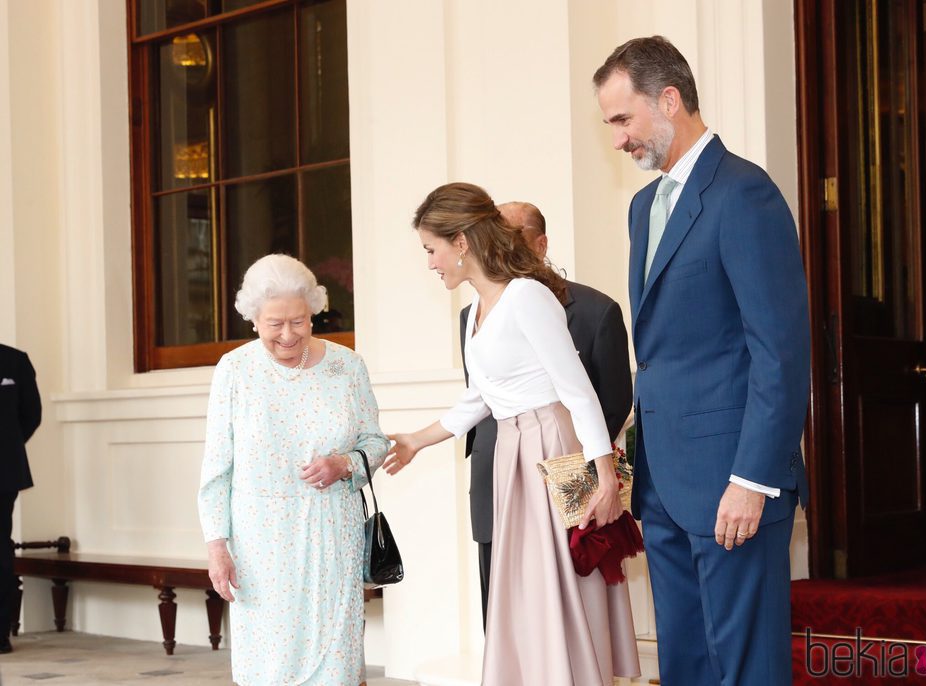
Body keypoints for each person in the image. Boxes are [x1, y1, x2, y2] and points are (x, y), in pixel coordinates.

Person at [594, 36, 811, 685]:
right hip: (664, 485)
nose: (618, 140)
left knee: (745, 667)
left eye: (622, 119)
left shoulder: (745, 193)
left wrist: (754, 478)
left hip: (732, 484)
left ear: (669, 99)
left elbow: (779, 351)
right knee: (685, 663)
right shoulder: (642, 208)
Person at [385, 183, 640, 686]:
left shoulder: (527, 296)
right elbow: (480, 399)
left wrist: (605, 477)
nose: (430, 263)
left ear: (461, 242)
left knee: (561, 584)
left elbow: (578, 392)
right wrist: (418, 439)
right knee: (526, 588)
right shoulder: (475, 312)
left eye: (430, 249)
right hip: (512, 454)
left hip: (551, 447)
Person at [198, 254, 387, 686]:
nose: (288, 335)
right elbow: (216, 469)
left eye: (299, 322)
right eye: (275, 324)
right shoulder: (235, 371)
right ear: (253, 320)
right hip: (260, 541)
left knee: (336, 661)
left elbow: (376, 443)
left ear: (314, 311)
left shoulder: (347, 366)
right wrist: (216, 548)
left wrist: (344, 464)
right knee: (268, 664)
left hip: (332, 534)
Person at [460, 201, 632, 627]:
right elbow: (480, 394)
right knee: (503, 620)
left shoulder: (596, 311)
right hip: (495, 477)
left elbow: (610, 402)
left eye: (514, 238)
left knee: (571, 618)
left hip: (566, 479)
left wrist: (584, 470)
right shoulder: (471, 313)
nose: (502, 248)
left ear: (541, 244)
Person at [0, 343, 41, 655]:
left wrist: (8, 447)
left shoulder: (15, 361)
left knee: (1, 549)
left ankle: (1, 633)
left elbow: (31, 415)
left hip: (3, 474)